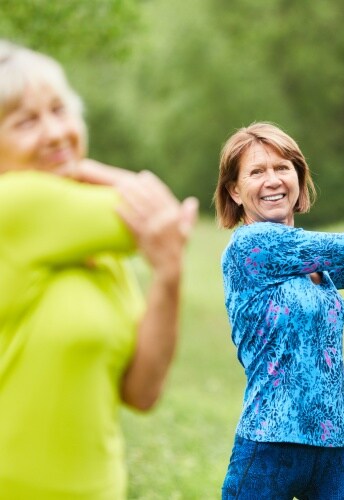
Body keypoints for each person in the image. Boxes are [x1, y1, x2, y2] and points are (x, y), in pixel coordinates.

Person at [0, 40, 197, 499]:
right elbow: (162, 211)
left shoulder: (99, 251)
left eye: (60, 111)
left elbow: (141, 392)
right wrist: (85, 166)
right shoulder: (13, 206)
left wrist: (168, 277)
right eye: (26, 121)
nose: (54, 133)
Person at [214, 122, 344, 499]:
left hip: (339, 438)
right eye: (257, 171)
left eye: (282, 168)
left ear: (299, 180)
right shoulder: (250, 247)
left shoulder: (313, 262)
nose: (272, 179)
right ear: (235, 191)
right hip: (271, 437)